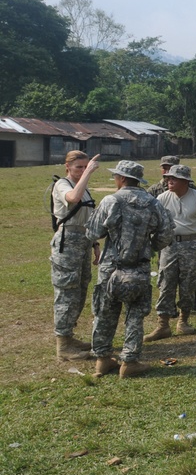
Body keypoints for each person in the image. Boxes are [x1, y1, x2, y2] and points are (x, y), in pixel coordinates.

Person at [87, 161, 173, 377]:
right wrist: (149, 246)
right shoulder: (153, 204)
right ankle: (130, 362)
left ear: (122, 178)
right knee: (135, 314)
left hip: (110, 269)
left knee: (104, 313)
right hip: (139, 268)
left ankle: (102, 359)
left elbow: (93, 232)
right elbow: (166, 233)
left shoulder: (110, 200)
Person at [145, 165, 196, 341]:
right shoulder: (162, 198)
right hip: (168, 245)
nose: (169, 181)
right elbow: (155, 221)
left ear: (185, 181)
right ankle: (163, 325)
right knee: (165, 283)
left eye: (173, 178)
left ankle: (183, 321)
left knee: (189, 283)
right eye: (168, 178)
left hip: (190, 245)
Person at [50, 151, 101, 360]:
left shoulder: (83, 186)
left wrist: (95, 245)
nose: (81, 170)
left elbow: (89, 216)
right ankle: (62, 345)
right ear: (67, 166)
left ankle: (69, 337)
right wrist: (88, 172)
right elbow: (73, 198)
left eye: (84, 166)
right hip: (68, 242)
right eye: (78, 167)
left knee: (80, 290)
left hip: (84, 240)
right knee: (66, 292)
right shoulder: (63, 184)